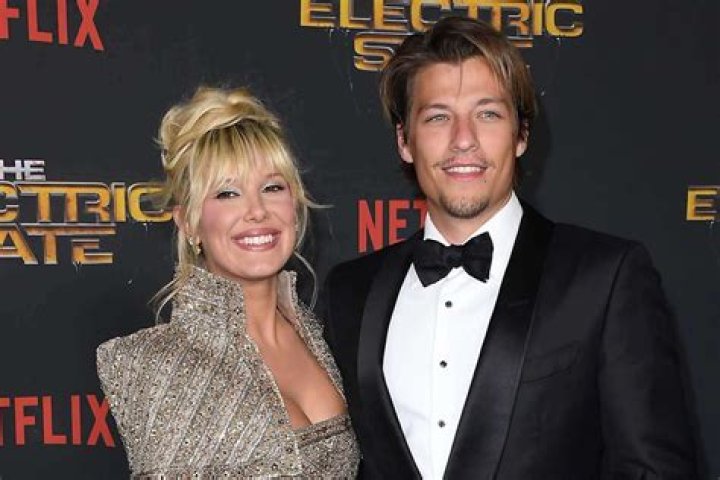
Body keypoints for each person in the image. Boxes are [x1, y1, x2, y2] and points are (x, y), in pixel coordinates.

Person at [321, 16, 697, 479]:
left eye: (488, 114)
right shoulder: (351, 292)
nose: (463, 140)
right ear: (405, 141)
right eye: (438, 117)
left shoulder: (605, 278)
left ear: (521, 135)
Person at [96, 86, 359, 478]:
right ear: (189, 223)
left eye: (272, 187)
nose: (257, 211)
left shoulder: (320, 335)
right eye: (227, 193)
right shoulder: (156, 365)